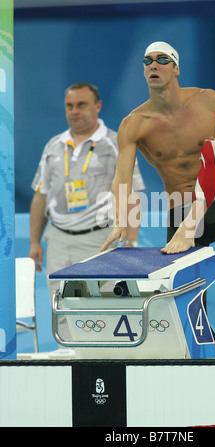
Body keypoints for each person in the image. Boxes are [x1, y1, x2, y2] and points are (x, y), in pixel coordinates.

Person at [100, 41, 215, 254]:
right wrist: (120, 221)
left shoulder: (208, 101)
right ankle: (189, 226)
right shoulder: (133, 124)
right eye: (148, 61)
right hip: (181, 210)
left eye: (163, 60)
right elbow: (122, 179)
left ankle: (190, 225)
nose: (153, 65)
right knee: (183, 283)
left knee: (212, 149)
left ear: (176, 69)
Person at [29, 82, 145, 351]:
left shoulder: (116, 143)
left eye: (81, 105)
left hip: (99, 239)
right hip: (58, 239)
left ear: (98, 106)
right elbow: (41, 195)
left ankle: (102, 358)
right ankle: (69, 356)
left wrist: (132, 242)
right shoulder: (54, 146)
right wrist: (35, 242)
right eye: (70, 106)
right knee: (60, 304)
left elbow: (134, 193)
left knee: (101, 305)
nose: (74, 111)